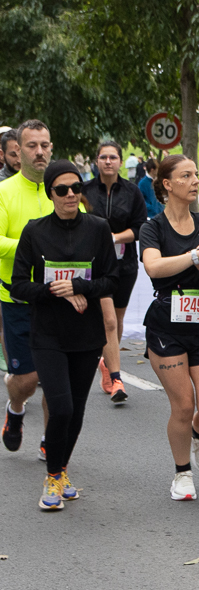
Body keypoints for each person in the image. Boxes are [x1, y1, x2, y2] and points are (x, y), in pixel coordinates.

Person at [11, 160, 118, 510]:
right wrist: (55, 290)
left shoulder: (98, 228)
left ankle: (61, 470)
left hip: (86, 335)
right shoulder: (34, 231)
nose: (71, 194)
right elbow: (18, 286)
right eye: (62, 189)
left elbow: (112, 280)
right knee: (61, 407)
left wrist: (79, 286)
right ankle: (52, 475)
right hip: (48, 334)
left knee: (77, 412)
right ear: (51, 193)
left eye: (76, 187)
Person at [140, 155, 199, 501]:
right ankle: (182, 474)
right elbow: (154, 267)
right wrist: (195, 256)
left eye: (196, 174)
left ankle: (198, 434)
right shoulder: (153, 227)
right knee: (182, 404)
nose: (195, 181)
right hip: (166, 327)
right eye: (186, 175)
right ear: (167, 184)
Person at [0, 120, 53, 458]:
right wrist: (30, 246)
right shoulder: (4, 192)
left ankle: (51, 441)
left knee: (56, 378)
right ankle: (15, 407)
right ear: (18, 151)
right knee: (27, 380)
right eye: (32, 146)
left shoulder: (62, 190)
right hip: (16, 298)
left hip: (57, 299)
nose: (39, 152)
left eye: (44, 145)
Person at [81, 141, 148, 405]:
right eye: (103, 157)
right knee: (107, 320)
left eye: (113, 157)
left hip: (124, 263)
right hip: (95, 266)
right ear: (96, 161)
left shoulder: (132, 191)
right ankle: (115, 374)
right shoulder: (85, 190)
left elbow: (141, 227)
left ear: (120, 161)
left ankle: (107, 364)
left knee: (117, 318)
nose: (108, 162)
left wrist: (115, 237)